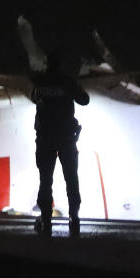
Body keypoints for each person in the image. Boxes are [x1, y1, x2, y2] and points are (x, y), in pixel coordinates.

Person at [30, 50, 89, 237]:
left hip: (46, 137)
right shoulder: (67, 81)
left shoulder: (40, 82)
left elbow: (33, 97)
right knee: (71, 176)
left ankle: (46, 219)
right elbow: (84, 100)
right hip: (66, 137)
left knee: (45, 178)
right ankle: (74, 217)